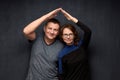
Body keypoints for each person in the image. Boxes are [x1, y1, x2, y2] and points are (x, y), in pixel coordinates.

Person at [23, 8, 64, 80]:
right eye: (49, 28)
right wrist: (46, 17)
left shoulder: (61, 46)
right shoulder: (36, 39)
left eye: (55, 30)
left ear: (58, 32)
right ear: (44, 29)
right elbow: (26, 31)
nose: (52, 32)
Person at [58, 9, 92, 80]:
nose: (68, 37)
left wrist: (72, 19)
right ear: (62, 36)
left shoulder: (81, 46)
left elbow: (88, 31)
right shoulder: (62, 55)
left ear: (74, 35)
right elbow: (61, 75)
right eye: (65, 34)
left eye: (70, 34)